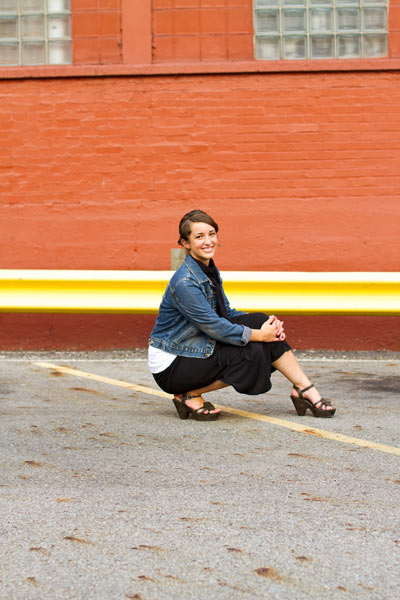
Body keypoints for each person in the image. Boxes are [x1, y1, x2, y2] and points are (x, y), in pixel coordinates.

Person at [148, 209, 335, 421]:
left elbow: (225, 312)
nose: (208, 241)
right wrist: (260, 335)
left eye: (212, 234)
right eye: (199, 237)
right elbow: (214, 326)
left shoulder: (206, 268)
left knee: (261, 321)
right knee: (253, 350)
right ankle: (189, 394)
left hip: (194, 346)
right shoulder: (185, 282)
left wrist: (268, 326)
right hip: (173, 363)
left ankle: (303, 388)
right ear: (185, 243)